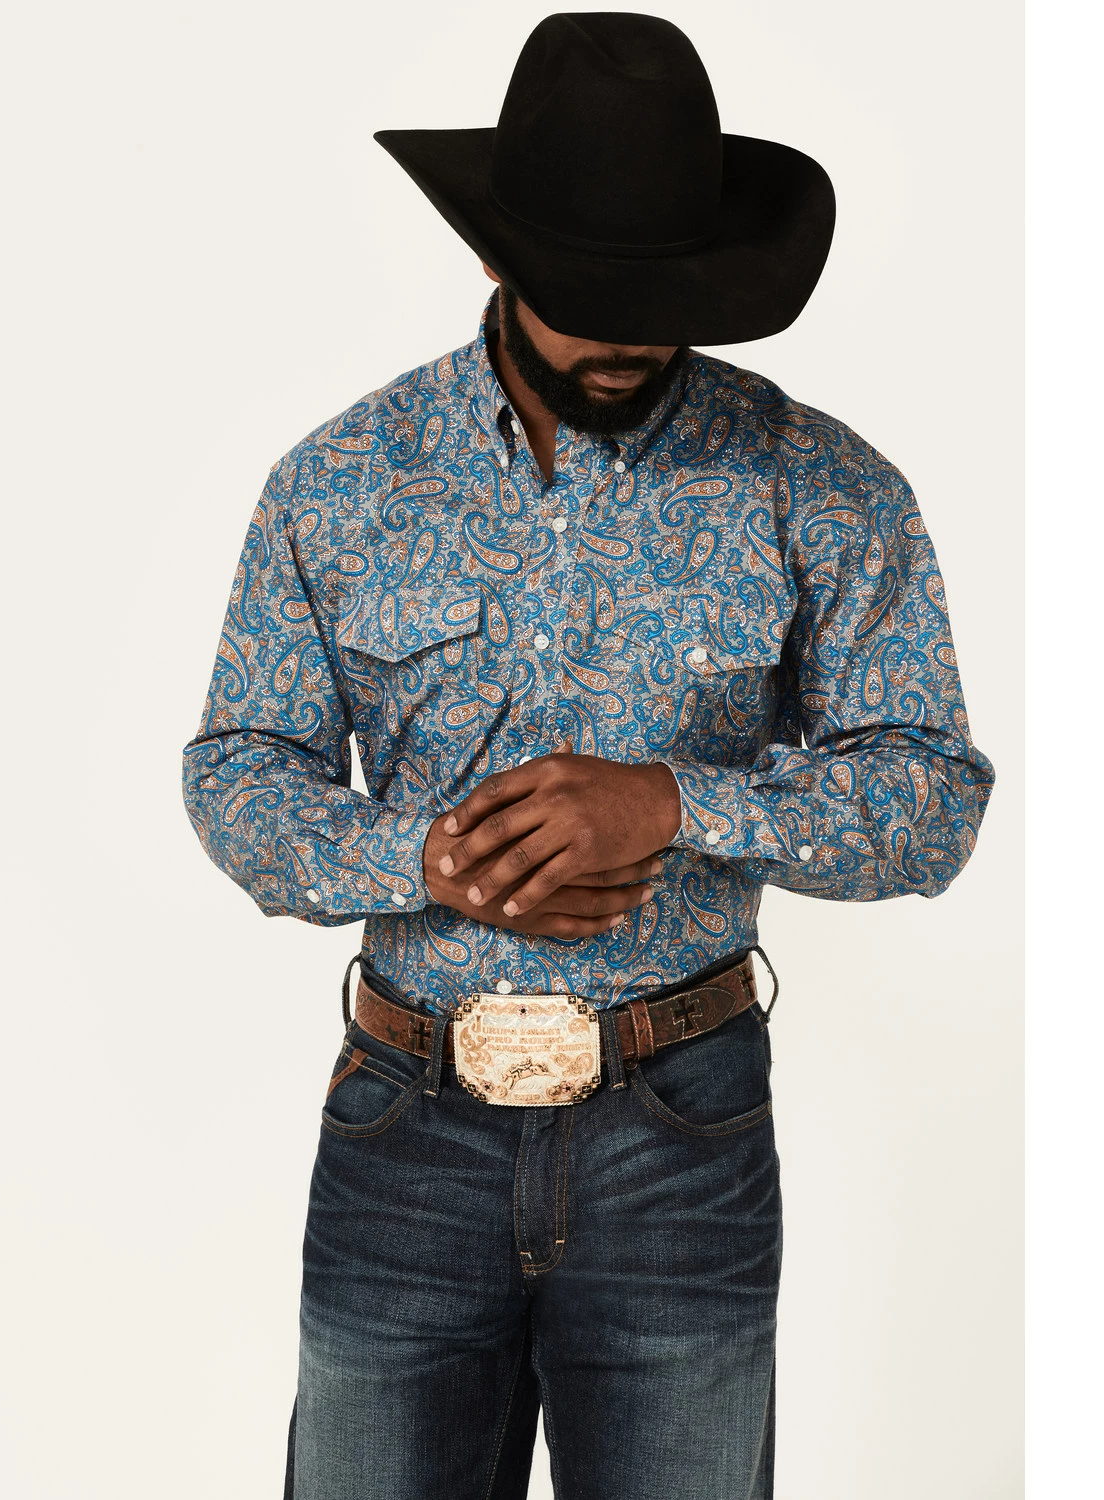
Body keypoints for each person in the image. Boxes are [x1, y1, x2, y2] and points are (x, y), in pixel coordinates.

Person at [181, 13, 994, 1499]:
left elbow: (931, 798)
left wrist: (678, 805)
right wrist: (424, 858)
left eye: (663, 298)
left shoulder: (816, 485)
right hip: (404, 1132)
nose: (627, 335)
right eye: (587, 294)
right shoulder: (342, 481)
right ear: (500, 259)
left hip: (679, 1136)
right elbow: (238, 769)